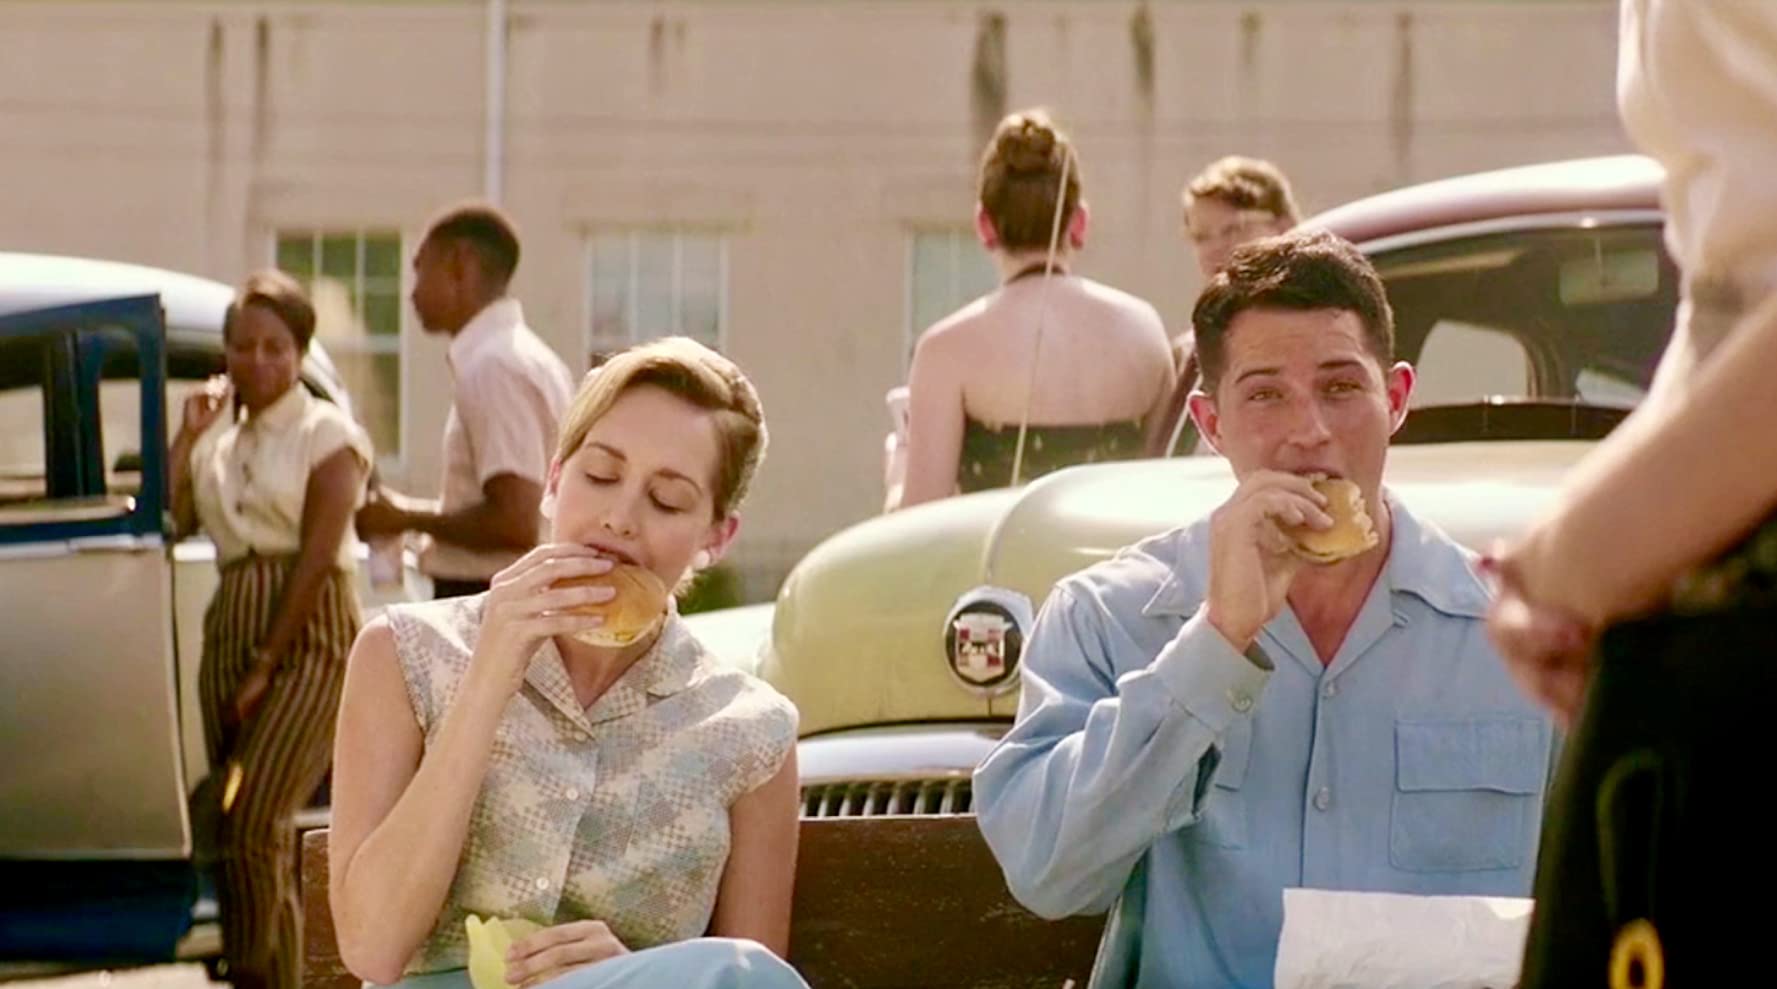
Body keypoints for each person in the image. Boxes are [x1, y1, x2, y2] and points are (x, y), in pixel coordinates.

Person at [972, 229, 1554, 988]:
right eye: (1265, 394)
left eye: (1340, 388)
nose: (1309, 431)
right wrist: (1215, 640)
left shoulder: (1514, 636)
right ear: (1210, 423)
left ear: (1396, 400)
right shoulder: (1108, 617)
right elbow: (1047, 875)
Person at [328, 337, 807, 989]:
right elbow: (372, 948)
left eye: (667, 499)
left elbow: (746, 979)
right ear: (554, 479)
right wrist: (490, 674)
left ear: (716, 537)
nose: (620, 518)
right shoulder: (404, 653)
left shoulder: (752, 732)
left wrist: (632, 975)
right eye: (601, 475)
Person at [168, 270, 373, 989]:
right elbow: (173, 518)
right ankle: (280, 974)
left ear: (299, 353)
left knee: (254, 818)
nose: (258, 360)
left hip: (306, 633)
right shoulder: (219, 445)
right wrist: (187, 434)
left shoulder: (328, 435)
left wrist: (265, 664)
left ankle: (253, 974)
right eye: (243, 346)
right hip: (231, 621)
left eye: (275, 347)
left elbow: (317, 558)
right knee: (245, 832)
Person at [887, 108, 1174, 511]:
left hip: (995, 554)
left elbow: (919, 521)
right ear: (1079, 223)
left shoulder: (946, 349)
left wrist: (898, 469)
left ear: (984, 226)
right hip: (1123, 553)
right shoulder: (1144, 329)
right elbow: (1166, 491)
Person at [356, 202, 574, 599]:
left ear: (460, 264)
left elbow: (514, 521)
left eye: (420, 269)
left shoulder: (494, 366)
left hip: (487, 597)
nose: (411, 293)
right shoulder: (529, 357)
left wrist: (404, 516)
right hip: (513, 594)